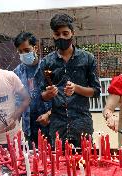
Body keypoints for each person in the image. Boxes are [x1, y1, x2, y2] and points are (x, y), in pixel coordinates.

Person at [38, 13, 101, 147]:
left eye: (65, 33)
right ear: (53, 35)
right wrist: (48, 94)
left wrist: (76, 88)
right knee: (59, 163)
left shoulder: (87, 58)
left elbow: (96, 91)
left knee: (85, 161)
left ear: (73, 33)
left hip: (82, 121)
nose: (61, 37)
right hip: (58, 123)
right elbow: (41, 95)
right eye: (57, 34)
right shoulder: (47, 62)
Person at [14, 32, 52, 146]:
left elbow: (61, 96)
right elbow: (17, 101)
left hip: (49, 125)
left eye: (26, 50)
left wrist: (50, 114)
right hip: (29, 128)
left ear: (35, 48)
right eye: (20, 52)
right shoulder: (17, 72)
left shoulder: (48, 68)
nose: (23, 54)